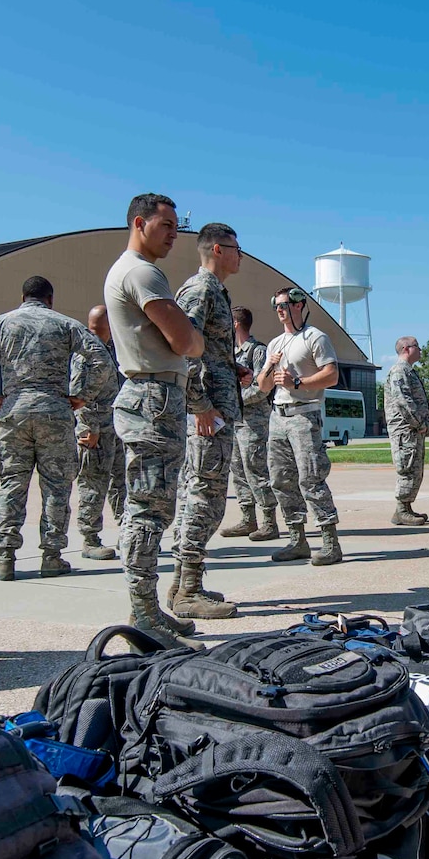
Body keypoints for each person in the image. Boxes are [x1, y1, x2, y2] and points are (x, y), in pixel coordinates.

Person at [0, 275, 113, 582]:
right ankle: (52, 557)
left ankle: (5, 559)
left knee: (12, 484)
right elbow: (101, 360)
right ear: (50, 299)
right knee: (56, 487)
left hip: (14, 411)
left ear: (23, 296)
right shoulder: (65, 325)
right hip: (55, 410)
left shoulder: (0, 324)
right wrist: (83, 395)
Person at [103, 192, 208, 645]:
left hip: (154, 394)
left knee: (152, 508)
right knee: (148, 511)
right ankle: (143, 615)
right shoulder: (142, 271)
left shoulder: (130, 270)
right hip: (153, 397)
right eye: (166, 225)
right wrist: (196, 339)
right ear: (139, 223)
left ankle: (148, 610)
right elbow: (187, 341)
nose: (174, 234)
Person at [168, 224, 247, 620]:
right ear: (218, 249)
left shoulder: (214, 290)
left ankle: (182, 583)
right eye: (236, 249)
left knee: (199, 496)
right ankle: (189, 591)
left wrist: (232, 369)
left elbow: (205, 350)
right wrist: (200, 405)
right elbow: (182, 347)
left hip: (214, 408)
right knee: (206, 500)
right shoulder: (201, 290)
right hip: (208, 417)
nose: (240, 256)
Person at [260, 287, 344, 565]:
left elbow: (331, 375)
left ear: (299, 305)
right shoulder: (274, 345)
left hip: (304, 415)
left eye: (284, 304)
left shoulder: (314, 338)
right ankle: (297, 540)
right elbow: (262, 387)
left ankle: (330, 542)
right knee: (280, 479)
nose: (279, 310)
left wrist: (298, 383)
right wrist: (269, 370)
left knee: (311, 477)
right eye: (276, 305)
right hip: (277, 415)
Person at [222, 306, 281, 542]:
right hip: (235, 420)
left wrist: (233, 399)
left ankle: (269, 521)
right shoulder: (230, 352)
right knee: (238, 470)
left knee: (255, 469)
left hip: (254, 421)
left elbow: (262, 387)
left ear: (235, 324)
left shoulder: (258, 351)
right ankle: (248, 518)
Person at [72, 305, 126, 560]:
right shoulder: (85, 353)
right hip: (95, 432)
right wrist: (87, 429)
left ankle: (127, 533)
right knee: (93, 484)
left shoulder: (111, 349)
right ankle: (90, 539)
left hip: (114, 429)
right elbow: (77, 394)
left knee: (120, 483)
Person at [385, 336, 429, 525]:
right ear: (406, 348)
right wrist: (419, 423)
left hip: (413, 430)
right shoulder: (399, 371)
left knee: (415, 469)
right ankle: (401, 510)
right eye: (417, 346)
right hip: (406, 431)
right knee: (407, 468)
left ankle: (406, 507)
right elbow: (403, 402)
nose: (420, 350)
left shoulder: (409, 371)